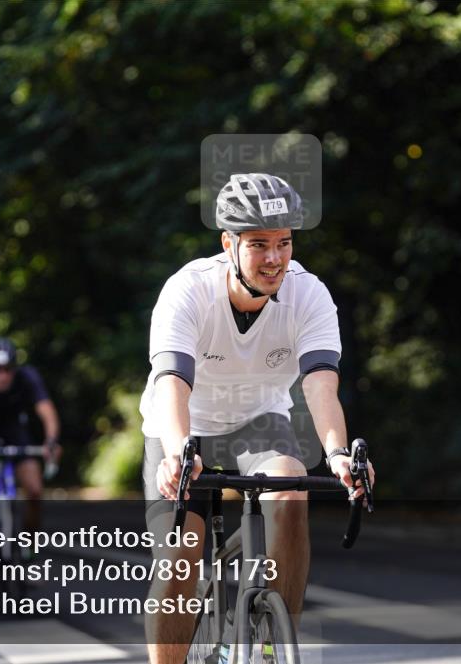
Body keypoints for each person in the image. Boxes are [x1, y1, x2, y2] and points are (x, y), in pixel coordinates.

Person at [139, 173, 375, 664]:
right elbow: (171, 383)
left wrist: (336, 453)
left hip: (258, 421)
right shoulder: (187, 291)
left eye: (284, 243)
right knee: (182, 554)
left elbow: (320, 384)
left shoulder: (308, 295)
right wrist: (179, 451)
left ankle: (275, 642)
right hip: (185, 424)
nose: (275, 258)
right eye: (259, 244)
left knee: (289, 486)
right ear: (228, 244)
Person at [0, 337, 61, 541]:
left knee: (34, 489)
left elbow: (47, 411)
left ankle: (30, 540)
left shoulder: (27, 378)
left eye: (8, 369)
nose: (2, 376)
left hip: (16, 432)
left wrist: (51, 441)